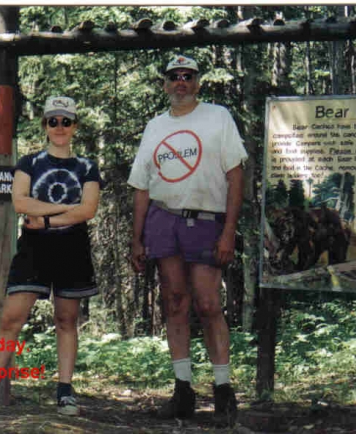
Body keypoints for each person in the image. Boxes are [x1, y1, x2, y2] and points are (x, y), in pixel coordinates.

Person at [0, 96, 101, 416]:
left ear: (75, 126)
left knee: (66, 320)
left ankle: (65, 391)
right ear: (45, 125)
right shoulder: (29, 163)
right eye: (53, 121)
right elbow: (21, 203)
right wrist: (69, 209)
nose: (60, 127)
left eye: (66, 121)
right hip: (34, 249)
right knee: (11, 317)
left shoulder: (88, 167)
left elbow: (89, 209)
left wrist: (49, 219)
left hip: (72, 249)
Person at [128, 54, 247, 427]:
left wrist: (229, 229)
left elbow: (236, 173)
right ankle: (183, 388)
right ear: (165, 84)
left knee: (209, 303)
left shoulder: (218, 117)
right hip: (164, 218)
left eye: (188, 76)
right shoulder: (155, 126)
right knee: (174, 301)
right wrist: (137, 237)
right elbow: (142, 185)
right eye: (174, 77)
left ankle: (224, 390)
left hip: (207, 220)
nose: (181, 82)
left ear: (197, 83)